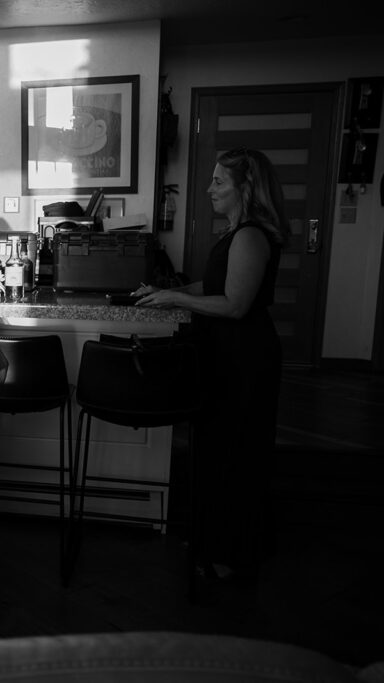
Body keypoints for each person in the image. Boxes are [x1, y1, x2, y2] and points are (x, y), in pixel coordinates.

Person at [133, 147, 288, 582]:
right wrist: (163, 290)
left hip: (246, 357)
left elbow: (236, 304)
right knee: (217, 449)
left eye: (219, 181)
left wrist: (176, 298)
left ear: (246, 188)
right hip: (226, 353)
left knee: (237, 452)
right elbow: (216, 285)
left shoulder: (252, 235)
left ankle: (233, 553)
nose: (209, 189)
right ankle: (213, 537)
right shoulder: (235, 231)